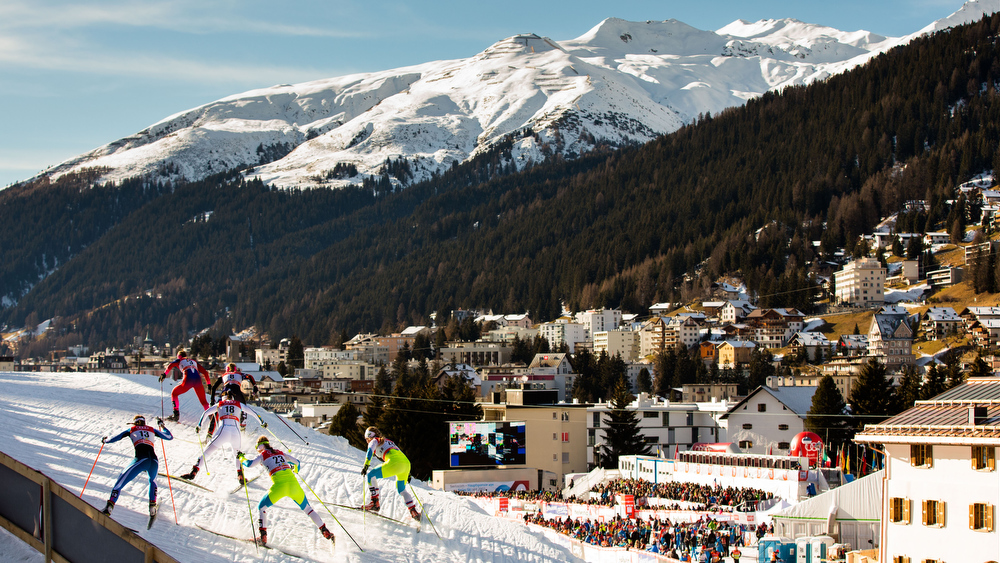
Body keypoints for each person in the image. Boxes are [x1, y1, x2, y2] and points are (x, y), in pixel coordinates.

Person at [239, 436, 334, 547]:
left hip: (280, 486)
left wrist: (241, 458)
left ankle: (263, 537)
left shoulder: (262, 455)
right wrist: (295, 469)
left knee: (262, 507)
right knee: (308, 509)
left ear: (259, 447)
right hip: (294, 485)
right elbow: (297, 462)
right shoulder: (280, 453)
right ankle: (325, 531)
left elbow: (249, 464)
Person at [180, 389, 264, 485]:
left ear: (223, 396)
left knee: (206, 453)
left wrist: (199, 425)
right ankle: (240, 476)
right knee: (237, 455)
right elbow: (253, 412)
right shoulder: (238, 404)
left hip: (223, 431)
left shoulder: (220, 403)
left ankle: (193, 473)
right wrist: (262, 422)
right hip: (236, 433)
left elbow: (205, 413)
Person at [100, 414, 173, 519]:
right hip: (154, 461)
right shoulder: (151, 429)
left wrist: (105, 440)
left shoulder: (132, 429)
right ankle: (152, 507)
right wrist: (162, 425)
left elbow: (116, 437)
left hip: (141, 459)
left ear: (135, 422)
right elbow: (169, 437)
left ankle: (109, 507)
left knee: (120, 482)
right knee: (153, 481)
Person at [360, 426, 420, 520]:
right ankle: (413, 511)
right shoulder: (389, 441)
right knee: (401, 489)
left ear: (369, 437)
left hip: (394, 462)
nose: (367, 441)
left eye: (366, 439)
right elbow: (400, 453)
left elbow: (370, 451)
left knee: (371, 475)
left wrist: (366, 465)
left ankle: (375, 503)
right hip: (406, 464)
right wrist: (408, 473)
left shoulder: (374, 441)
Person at [160, 349, 210, 422]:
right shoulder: (193, 361)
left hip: (188, 380)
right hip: (198, 381)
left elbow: (170, 365)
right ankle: (211, 417)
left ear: (179, 357)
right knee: (204, 401)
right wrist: (208, 384)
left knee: (174, 393)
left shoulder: (179, 360)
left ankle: (175, 415)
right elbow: (205, 372)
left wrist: (164, 374)